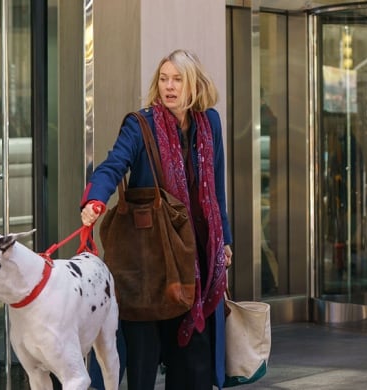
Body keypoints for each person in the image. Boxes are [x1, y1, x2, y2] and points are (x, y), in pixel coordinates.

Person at [80, 49, 233, 389]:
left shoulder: (210, 124)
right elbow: (113, 164)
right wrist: (95, 198)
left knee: (193, 359)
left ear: (194, 84)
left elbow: (217, 186)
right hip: (150, 260)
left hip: (196, 260)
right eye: (164, 79)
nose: (169, 86)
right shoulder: (141, 124)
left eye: (177, 79)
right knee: (143, 357)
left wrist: (226, 241)